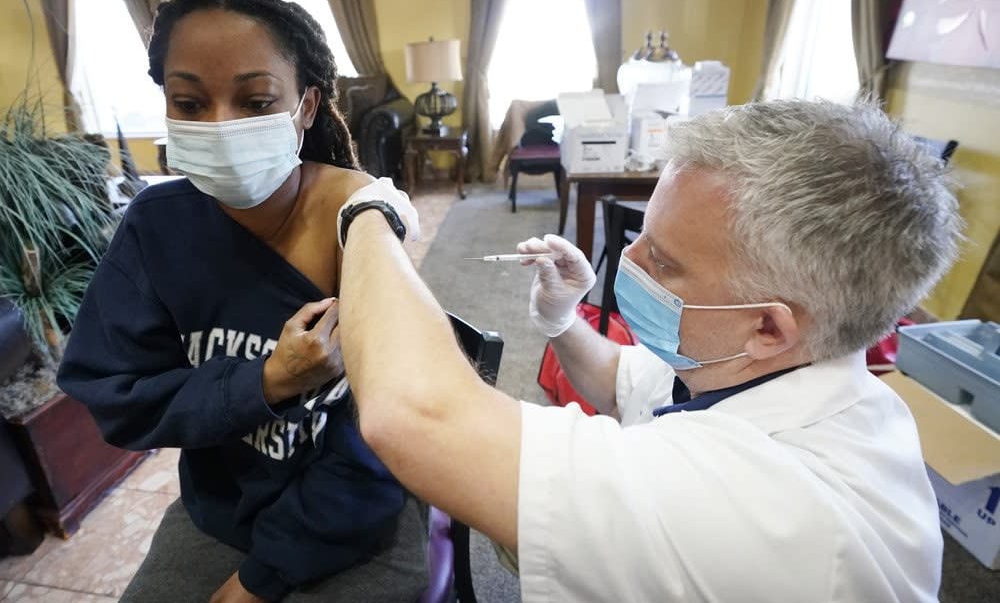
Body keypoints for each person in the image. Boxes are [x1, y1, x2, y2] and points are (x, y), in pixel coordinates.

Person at [335, 99, 961, 601]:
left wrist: (368, 213)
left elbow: (415, 417)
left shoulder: (766, 508)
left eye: (662, 260)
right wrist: (561, 320)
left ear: (769, 328)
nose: (624, 264)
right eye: (642, 236)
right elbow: (621, 382)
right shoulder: (771, 367)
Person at [57, 0, 426, 603]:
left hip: (350, 517)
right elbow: (117, 395)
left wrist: (260, 581)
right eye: (190, 102)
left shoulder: (356, 220)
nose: (221, 126)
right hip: (222, 510)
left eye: (255, 101)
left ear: (305, 107)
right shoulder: (157, 226)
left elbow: (383, 443)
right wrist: (267, 381)